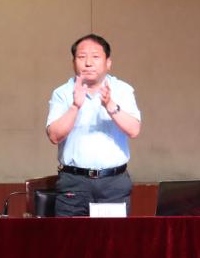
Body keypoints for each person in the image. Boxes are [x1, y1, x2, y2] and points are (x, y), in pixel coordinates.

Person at [45, 34, 142, 217]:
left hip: (113, 183)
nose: (88, 63)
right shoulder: (62, 93)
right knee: (69, 236)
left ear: (108, 63)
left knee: (113, 236)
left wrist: (110, 106)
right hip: (74, 183)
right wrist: (75, 106)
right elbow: (54, 136)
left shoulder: (122, 90)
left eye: (95, 57)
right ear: (73, 62)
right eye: (82, 57)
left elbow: (134, 130)